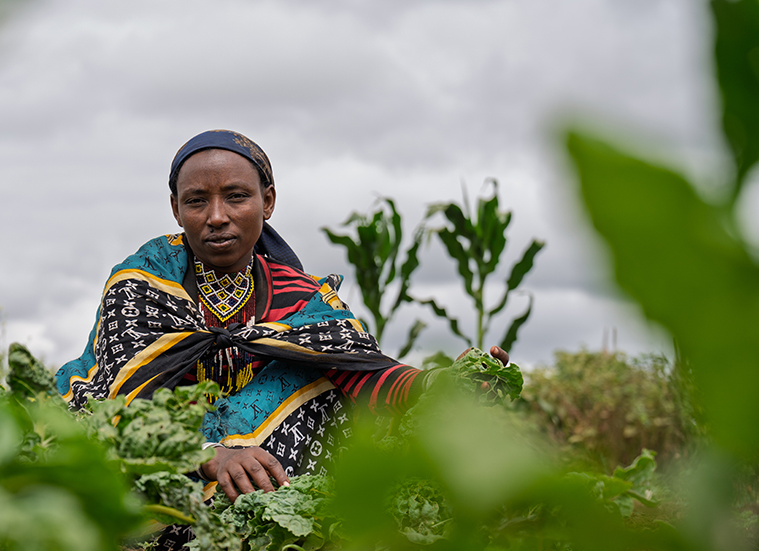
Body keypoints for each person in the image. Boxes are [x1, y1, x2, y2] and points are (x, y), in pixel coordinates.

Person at [56, 130, 508, 504]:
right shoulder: (142, 281)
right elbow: (123, 398)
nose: (216, 217)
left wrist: (439, 384)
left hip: (267, 467)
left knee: (314, 372)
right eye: (196, 201)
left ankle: (279, 510)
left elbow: (362, 374)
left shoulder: (301, 297)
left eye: (236, 197)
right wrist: (210, 454)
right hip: (159, 460)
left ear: (267, 202)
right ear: (176, 208)